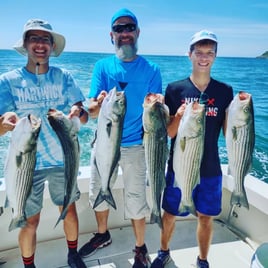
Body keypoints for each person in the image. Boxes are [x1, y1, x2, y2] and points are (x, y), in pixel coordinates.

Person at [0, 19, 88, 268]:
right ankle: (29, 265)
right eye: (34, 39)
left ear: (52, 46)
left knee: (68, 210)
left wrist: (77, 112)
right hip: (26, 164)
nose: (40, 44)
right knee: (30, 221)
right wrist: (4, 122)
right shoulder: (7, 81)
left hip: (64, 158)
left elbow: (82, 113)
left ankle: (73, 253)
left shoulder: (64, 77)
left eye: (45, 39)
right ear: (26, 44)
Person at [78, 8, 163, 268]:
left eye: (129, 28)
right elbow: (92, 110)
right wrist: (95, 105)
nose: (124, 33)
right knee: (97, 191)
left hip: (136, 145)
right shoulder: (102, 67)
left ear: (137, 32)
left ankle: (140, 246)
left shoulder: (152, 69)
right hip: (104, 142)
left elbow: (156, 112)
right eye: (119, 29)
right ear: (111, 35)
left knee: (137, 199)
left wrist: (160, 105)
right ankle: (102, 234)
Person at [151, 30, 233, 268]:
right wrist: (176, 116)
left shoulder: (224, 91)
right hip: (179, 165)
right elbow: (168, 133)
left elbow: (229, 133)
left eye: (209, 53)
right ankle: (164, 251)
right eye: (199, 52)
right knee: (169, 214)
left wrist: (240, 117)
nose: (204, 58)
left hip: (210, 168)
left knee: (206, 217)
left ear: (215, 56)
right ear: (189, 55)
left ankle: (203, 259)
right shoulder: (176, 89)